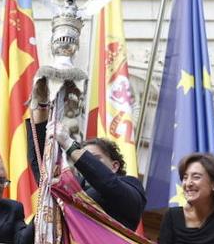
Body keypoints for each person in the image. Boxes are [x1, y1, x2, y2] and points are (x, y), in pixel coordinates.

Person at [27, 96, 146, 229]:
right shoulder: (76, 185)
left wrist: (69, 144)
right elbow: (44, 169)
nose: (82, 163)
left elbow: (110, 185)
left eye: (94, 158)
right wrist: (41, 107)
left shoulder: (131, 185)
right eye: (81, 159)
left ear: (114, 166)